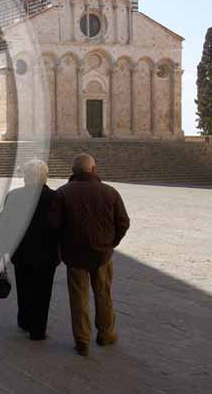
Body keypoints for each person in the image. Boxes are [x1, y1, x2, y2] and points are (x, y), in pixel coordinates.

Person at [50, 153, 130, 357]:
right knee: (103, 294)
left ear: (72, 171)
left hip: (74, 255)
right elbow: (123, 222)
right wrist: (111, 243)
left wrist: (63, 246)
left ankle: (82, 341)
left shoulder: (62, 193)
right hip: (102, 254)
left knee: (78, 298)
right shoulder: (110, 192)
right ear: (93, 169)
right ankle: (106, 334)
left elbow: (53, 226)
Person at [0, 160, 60, 341]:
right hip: (47, 253)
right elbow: (60, 225)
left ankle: (24, 320)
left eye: (25, 175)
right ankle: (37, 330)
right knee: (43, 291)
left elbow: (4, 225)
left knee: (24, 287)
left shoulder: (14, 196)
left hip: (21, 251)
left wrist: (3, 248)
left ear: (28, 177)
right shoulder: (54, 197)